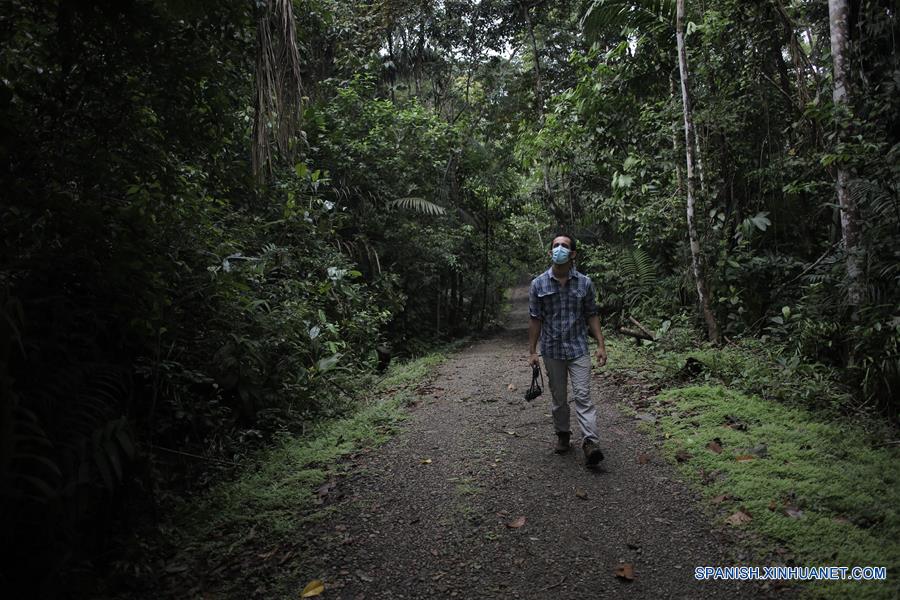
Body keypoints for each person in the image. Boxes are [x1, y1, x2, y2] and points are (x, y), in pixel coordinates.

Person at [527, 233, 607, 466]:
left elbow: (591, 314)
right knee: (559, 397)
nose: (559, 249)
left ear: (572, 254)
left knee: (583, 396)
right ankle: (563, 434)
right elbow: (535, 319)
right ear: (550, 252)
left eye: (564, 246)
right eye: (555, 246)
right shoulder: (538, 284)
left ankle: (590, 443)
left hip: (578, 348)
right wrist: (532, 351)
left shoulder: (585, 283)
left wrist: (601, 344)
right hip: (552, 350)